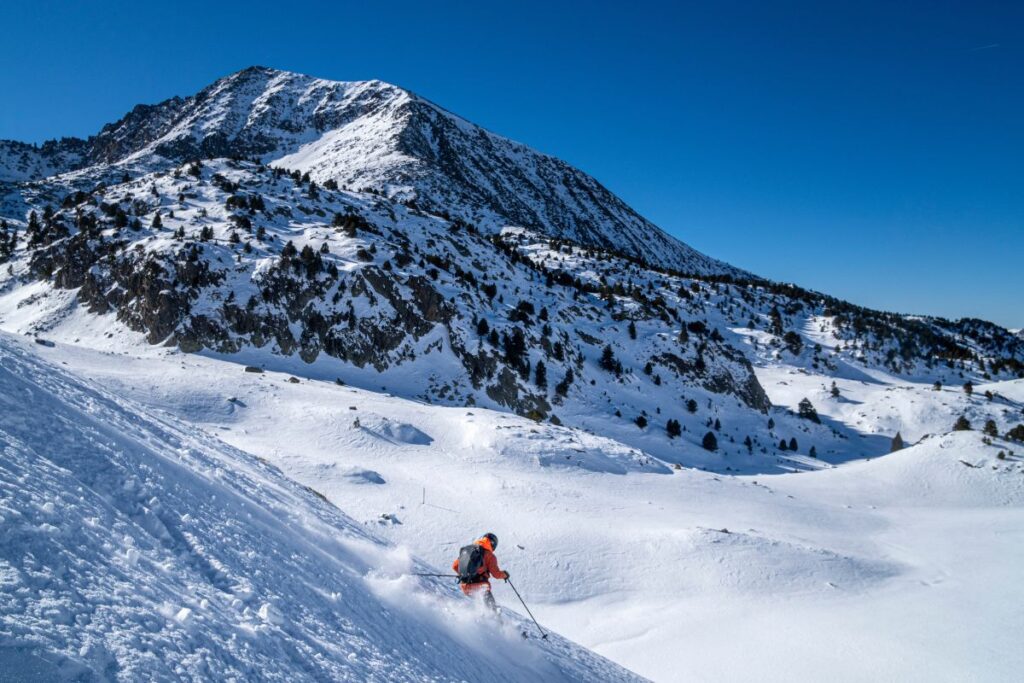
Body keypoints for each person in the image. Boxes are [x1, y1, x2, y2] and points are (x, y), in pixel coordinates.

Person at [452, 532, 508, 611]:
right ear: (493, 544)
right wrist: (505, 575)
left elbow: (454, 566)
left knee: (479, 607)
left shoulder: (469, 550)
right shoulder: (490, 555)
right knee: (492, 610)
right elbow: (496, 574)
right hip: (481, 586)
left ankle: (477, 620)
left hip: (465, 587)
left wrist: (466, 574)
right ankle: (494, 621)